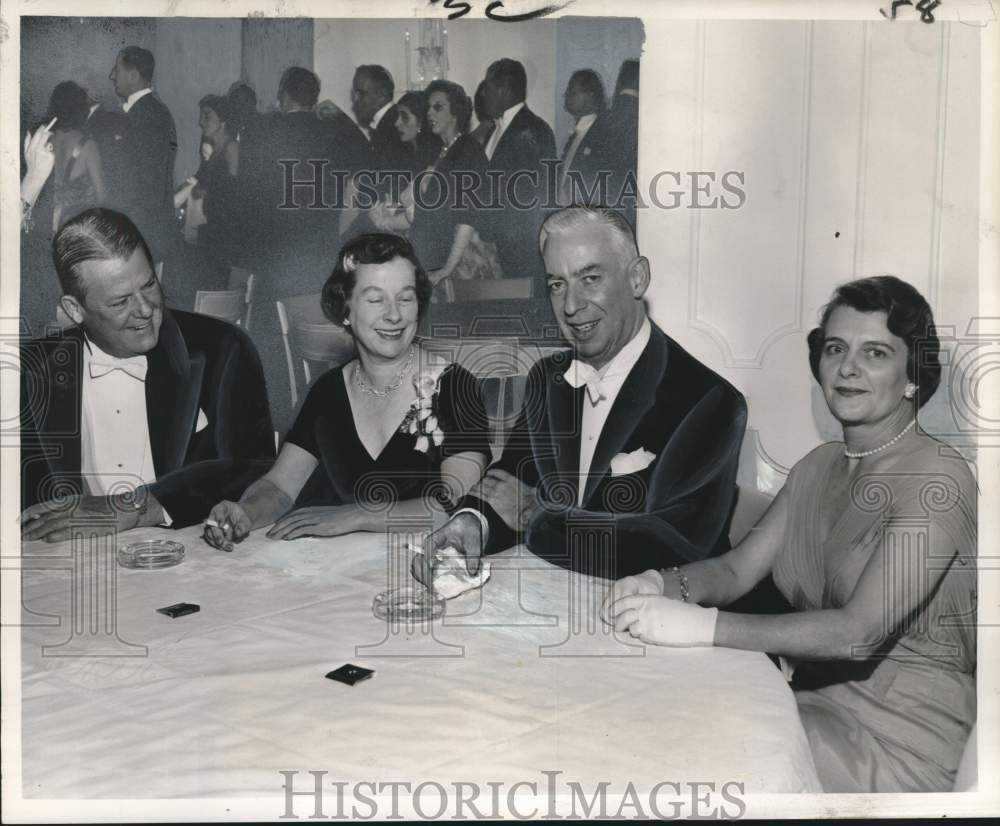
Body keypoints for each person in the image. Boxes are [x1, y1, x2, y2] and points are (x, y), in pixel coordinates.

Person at [604, 276, 977, 793]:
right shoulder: (819, 466)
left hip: (899, 739)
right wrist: (659, 583)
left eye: (875, 352)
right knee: (658, 728)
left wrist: (701, 626)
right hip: (806, 704)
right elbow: (735, 571)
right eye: (836, 348)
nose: (848, 367)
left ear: (913, 376)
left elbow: (857, 632)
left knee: (701, 763)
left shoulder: (940, 478)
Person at [414, 206, 747, 583]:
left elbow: (674, 546)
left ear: (637, 278)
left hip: (661, 622)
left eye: (590, 278)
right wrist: (471, 523)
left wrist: (531, 514)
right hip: (557, 599)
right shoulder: (547, 378)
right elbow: (513, 477)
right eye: (557, 284)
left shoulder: (711, 401)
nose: (570, 306)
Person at [203, 234, 491, 547]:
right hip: (340, 572)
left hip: (428, 571)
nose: (394, 314)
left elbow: (459, 503)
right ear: (345, 310)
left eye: (405, 298)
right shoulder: (327, 392)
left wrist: (359, 516)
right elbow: (279, 487)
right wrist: (245, 511)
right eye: (375, 299)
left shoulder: (454, 387)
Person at [20, 208, 276, 541]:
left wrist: (138, 505)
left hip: (194, 554)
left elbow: (256, 467)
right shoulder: (28, 371)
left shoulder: (222, 348)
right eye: (120, 301)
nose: (144, 309)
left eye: (149, 284)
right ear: (74, 309)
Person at [407, 79, 502, 289]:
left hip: (460, 269)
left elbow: (467, 218)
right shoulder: (443, 151)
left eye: (438, 107)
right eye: (428, 108)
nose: (430, 113)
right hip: (434, 262)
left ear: (456, 111)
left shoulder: (467, 150)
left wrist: (447, 269)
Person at [480, 58, 557, 292]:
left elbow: (536, 199)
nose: (484, 95)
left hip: (521, 252)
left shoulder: (533, 130)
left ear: (504, 90)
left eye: (488, 89)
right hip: (498, 248)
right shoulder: (496, 129)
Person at [109, 46, 177, 265]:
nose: (111, 76)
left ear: (133, 75)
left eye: (116, 69)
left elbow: (147, 183)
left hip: (142, 230)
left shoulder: (150, 115)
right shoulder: (145, 112)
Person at [46, 82, 106, 231]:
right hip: (76, 226)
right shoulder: (87, 145)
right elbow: (102, 196)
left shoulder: (45, 141)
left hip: (48, 224)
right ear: (80, 108)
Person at [559, 69, 611, 206]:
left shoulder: (602, 134)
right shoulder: (576, 133)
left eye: (572, 92)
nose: (566, 96)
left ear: (590, 95)